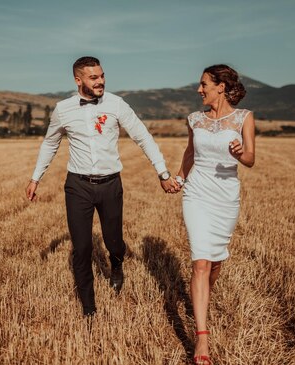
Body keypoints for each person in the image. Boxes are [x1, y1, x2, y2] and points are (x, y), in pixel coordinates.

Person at [26, 56, 180, 318]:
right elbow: (50, 143)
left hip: (110, 185)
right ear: (78, 80)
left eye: (102, 76)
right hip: (78, 186)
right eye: (94, 77)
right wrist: (35, 177)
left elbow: (142, 136)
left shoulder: (116, 104)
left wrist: (162, 172)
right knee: (82, 247)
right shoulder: (63, 109)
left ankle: (116, 266)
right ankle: (89, 308)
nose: (101, 81)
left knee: (114, 242)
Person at [174, 64, 255, 365]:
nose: (199, 90)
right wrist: (180, 178)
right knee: (200, 261)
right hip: (196, 192)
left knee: (215, 260)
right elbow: (190, 153)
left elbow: (250, 159)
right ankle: (201, 337)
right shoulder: (194, 119)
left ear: (221, 87)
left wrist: (239, 153)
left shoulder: (244, 118)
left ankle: (202, 297)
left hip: (226, 197)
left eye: (203, 84)